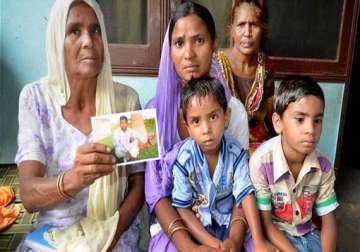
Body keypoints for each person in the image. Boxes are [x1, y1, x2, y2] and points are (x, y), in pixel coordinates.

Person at [15, 0, 144, 251]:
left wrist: (109, 235)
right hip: (57, 236)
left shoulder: (126, 101)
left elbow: (138, 187)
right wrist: (74, 179)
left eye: (95, 30)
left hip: (113, 230)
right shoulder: (36, 99)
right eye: (75, 31)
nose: (88, 41)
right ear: (56, 41)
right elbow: (29, 196)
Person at [145, 2, 273, 252]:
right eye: (179, 43)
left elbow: (241, 187)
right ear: (169, 50)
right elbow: (155, 194)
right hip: (175, 227)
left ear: (214, 44)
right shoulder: (153, 113)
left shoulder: (232, 111)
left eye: (199, 41)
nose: (189, 54)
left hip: (227, 222)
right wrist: (189, 248)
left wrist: (235, 240)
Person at [172, 77, 276, 251]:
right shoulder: (185, 159)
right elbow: (183, 209)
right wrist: (214, 244)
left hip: (230, 224)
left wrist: (258, 241)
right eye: (196, 121)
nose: (206, 129)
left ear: (226, 117)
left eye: (213, 117)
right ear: (187, 126)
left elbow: (246, 196)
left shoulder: (235, 153)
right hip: (198, 228)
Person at [249, 75, 339, 252]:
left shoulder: (324, 167)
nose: (310, 130)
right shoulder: (261, 163)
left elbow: (329, 221)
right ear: (278, 122)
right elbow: (266, 224)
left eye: (317, 120)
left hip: (309, 233)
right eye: (300, 119)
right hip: (276, 237)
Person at [212, 0, 275, 154]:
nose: (247, 32)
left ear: (262, 30)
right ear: (231, 30)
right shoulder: (215, 65)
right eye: (241, 25)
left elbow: (270, 114)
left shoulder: (265, 68)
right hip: (224, 142)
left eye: (253, 25)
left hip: (258, 145)